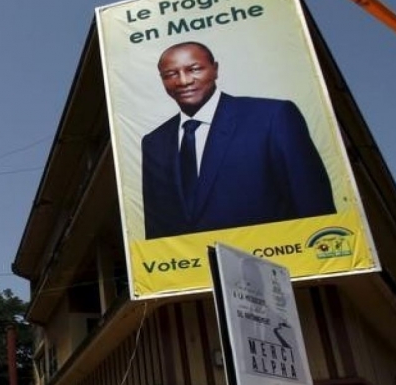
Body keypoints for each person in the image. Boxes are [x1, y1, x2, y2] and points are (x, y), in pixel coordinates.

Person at [141, 41, 335, 240]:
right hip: (191, 267)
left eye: (194, 69)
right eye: (170, 74)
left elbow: (312, 200)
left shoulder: (272, 117)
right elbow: (158, 225)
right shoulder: (154, 142)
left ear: (215, 69)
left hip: (275, 258)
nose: (183, 81)